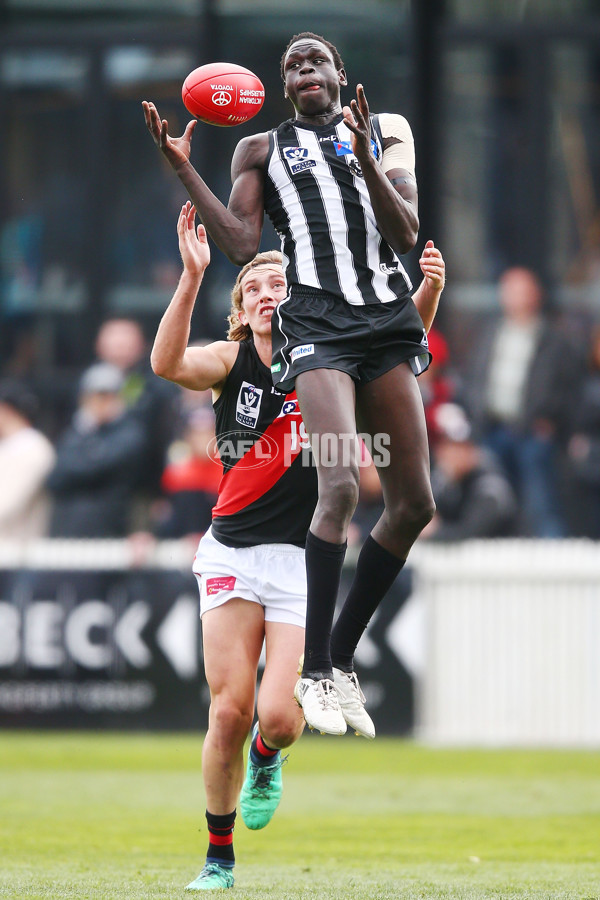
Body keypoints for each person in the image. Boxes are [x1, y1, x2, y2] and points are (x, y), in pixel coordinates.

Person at [143, 30, 444, 738]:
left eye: (316, 60)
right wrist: (185, 169)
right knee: (339, 483)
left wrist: (364, 153)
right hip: (317, 323)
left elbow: (404, 235)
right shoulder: (262, 149)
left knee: (414, 505)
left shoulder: (383, 129)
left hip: (384, 317)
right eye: (292, 65)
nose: (305, 69)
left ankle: (336, 661)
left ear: (340, 73)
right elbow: (244, 244)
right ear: (283, 87)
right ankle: (312, 672)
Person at [150, 202, 444, 890]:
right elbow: (165, 363)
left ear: (303, 295)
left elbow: (396, 358)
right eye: (251, 287)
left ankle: (267, 756)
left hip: (299, 563)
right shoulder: (229, 360)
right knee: (227, 709)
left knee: (278, 719)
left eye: (276, 285)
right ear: (240, 306)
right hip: (230, 553)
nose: (263, 295)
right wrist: (193, 275)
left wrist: (426, 291)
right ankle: (218, 855)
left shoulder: (331, 365)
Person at [462, 266, 583, 537]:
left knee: (541, 503)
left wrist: (555, 423)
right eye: (508, 290)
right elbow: (474, 378)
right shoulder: (490, 333)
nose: (513, 297)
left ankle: (553, 560)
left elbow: (570, 388)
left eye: (520, 290)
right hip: (492, 429)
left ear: (535, 295)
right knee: (494, 499)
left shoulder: (553, 338)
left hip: (533, 432)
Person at [47, 362, 147, 537]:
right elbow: (55, 479)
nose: (100, 403)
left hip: (108, 531)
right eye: (94, 396)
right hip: (67, 529)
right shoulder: (78, 430)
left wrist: (81, 461)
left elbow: (94, 468)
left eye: (107, 396)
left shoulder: (130, 432)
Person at [421, 403, 518, 541]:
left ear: (473, 449)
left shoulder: (491, 487)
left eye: (460, 447)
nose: (452, 455)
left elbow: (469, 535)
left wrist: (435, 532)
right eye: (447, 447)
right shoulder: (446, 482)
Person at [0, 380, 55, 542]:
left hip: (19, 553)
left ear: (6, 410)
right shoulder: (7, 445)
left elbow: (6, 505)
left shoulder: (32, 446)